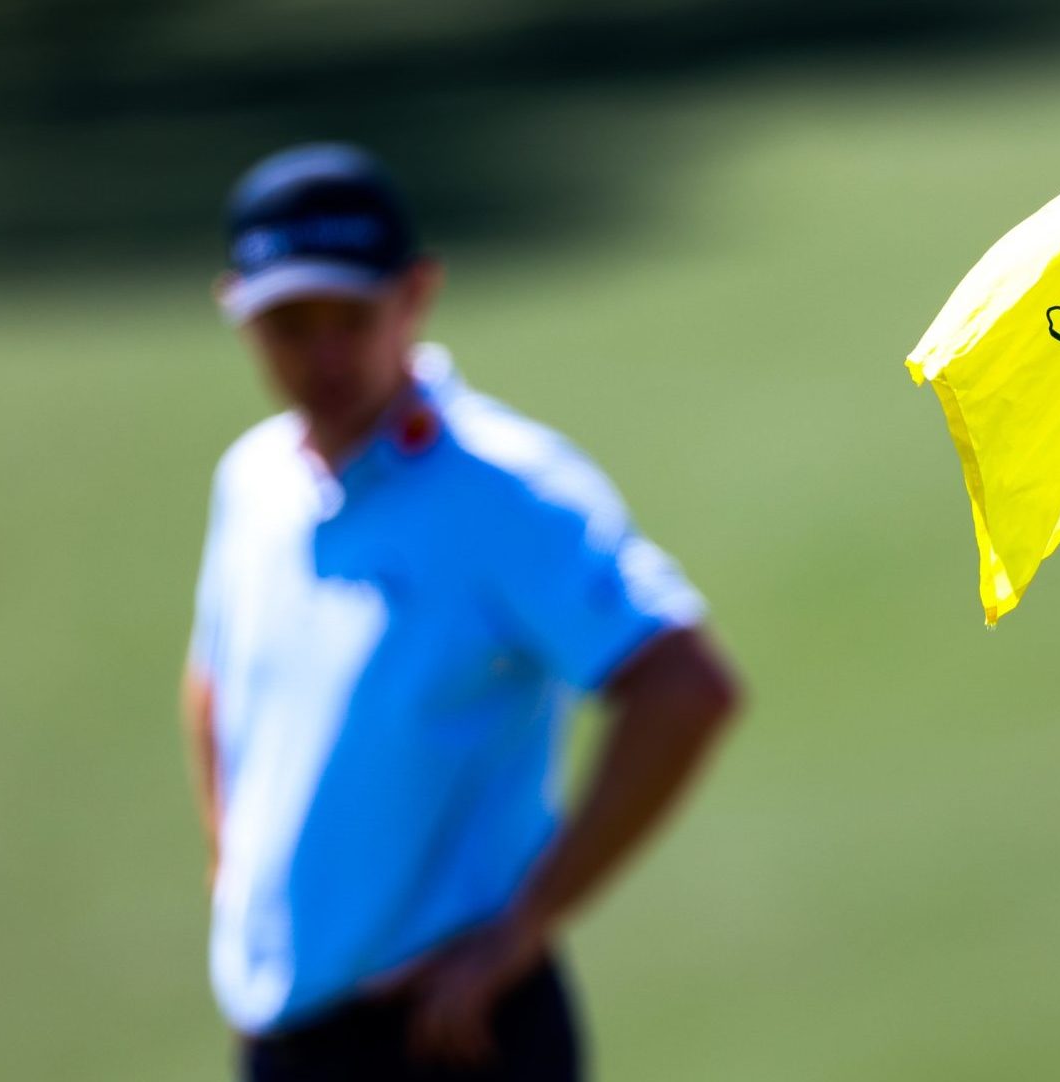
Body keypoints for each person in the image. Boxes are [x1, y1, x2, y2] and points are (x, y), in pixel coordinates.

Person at [181, 142, 741, 1081]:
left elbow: (685, 688)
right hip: (284, 1034)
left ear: (416, 296)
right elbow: (213, 683)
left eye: (349, 317)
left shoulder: (504, 492)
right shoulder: (252, 482)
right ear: (234, 309)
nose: (322, 355)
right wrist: (231, 871)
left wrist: (524, 928)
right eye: (287, 323)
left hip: (450, 1037)